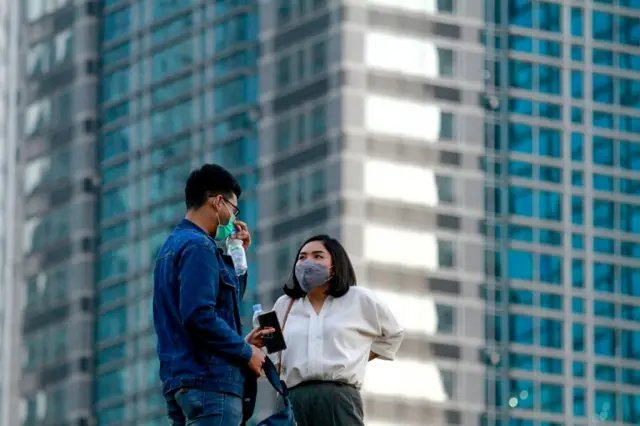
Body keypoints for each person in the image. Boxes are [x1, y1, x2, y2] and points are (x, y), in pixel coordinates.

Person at [153, 164, 273, 426]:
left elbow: (220, 307)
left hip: (182, 382)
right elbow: (199, 316)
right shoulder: (199, 246)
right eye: (233, 209)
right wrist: (245, 351)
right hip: (209, 384)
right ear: (218, 202)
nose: (233, 218)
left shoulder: (170, 248)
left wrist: (237, 254)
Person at [270, 235, 404, 426]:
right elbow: (274, 354)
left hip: (338, 398)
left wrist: (356, 356)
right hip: (292, 399)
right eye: (302, 257)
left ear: (335, 264)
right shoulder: (284, 305)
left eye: (318, 256)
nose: (308, 262)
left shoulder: (358, 299)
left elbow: (393, 334)